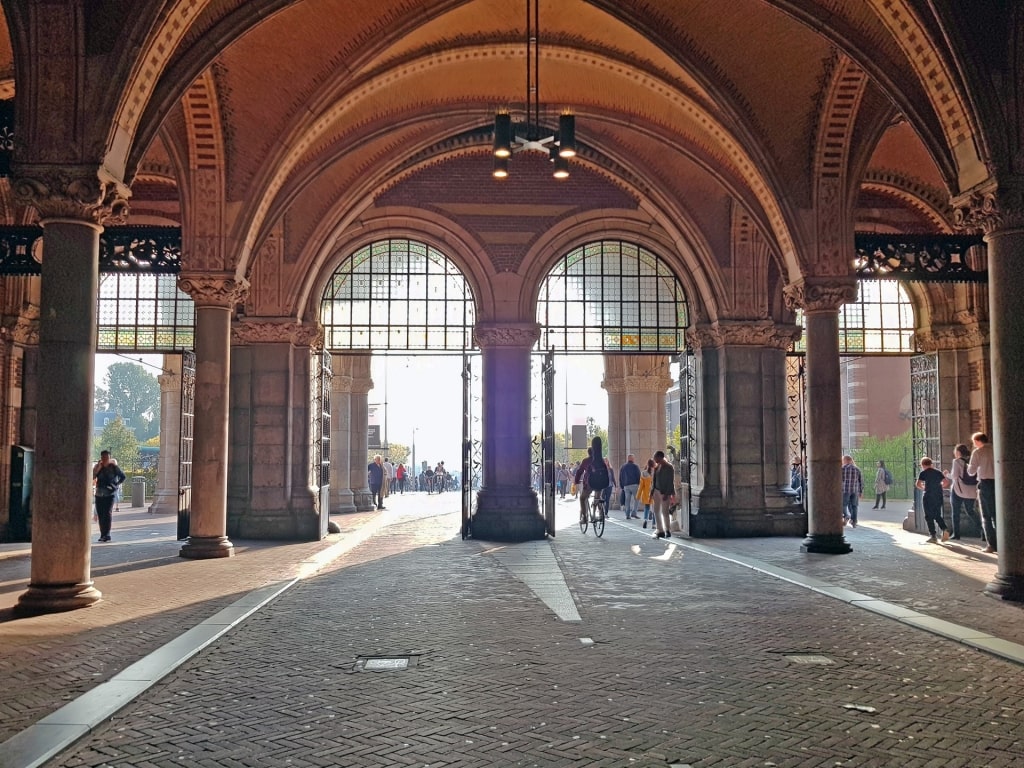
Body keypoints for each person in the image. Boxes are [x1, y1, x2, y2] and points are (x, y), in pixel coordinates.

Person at [967, 431, 997, 552]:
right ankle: (1003, 542)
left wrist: (968, 466)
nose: (974, 444)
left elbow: (971, 472)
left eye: (974, 442)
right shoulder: (996, 449)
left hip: (985, 484)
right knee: (997, 514)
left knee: (986, 515)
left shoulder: (978, 452)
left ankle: (991, 544)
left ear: (978, 441)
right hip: (998, 484)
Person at [943, 443, 978, 541]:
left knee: (955, 512)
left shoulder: (957, 461)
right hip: (971, 490)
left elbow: (954, 476)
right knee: (970, 511)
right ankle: (983, 531)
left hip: (958, 490)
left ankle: (956, 534)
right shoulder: (971, 460)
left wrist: (947, 474)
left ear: (958, 452)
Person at [92, 450, 126, 543]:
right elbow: (92, 477)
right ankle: (102, 534)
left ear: (109, 458)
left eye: (106, 457)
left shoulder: (113, 467)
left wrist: (116, 485)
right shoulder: (98, 467)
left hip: (109, 494)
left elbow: (123, 476)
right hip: (99, 494)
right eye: (103, 457)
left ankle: (107, 534)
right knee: (100, 514)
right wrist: (97, 468)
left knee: (107, 513)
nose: (104, 459)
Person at [915, 456, 949, 544]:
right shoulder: (938, 472)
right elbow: (946, 482)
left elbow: (918, 484)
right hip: (938, 495)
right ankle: (944, 529)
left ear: (922, 465)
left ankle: (933, 536)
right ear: (931, 464)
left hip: (928, 496)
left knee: (928, 515)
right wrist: (938, 487)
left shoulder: (923, 473)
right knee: (937, 514)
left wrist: (924, 488)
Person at [651, 449, 675, 539]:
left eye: (655, 457)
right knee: (656, 511)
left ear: (660, 457)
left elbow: (670, 481)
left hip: (664, 492)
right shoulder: (657, 467)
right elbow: (654, 480)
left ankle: (667, 530)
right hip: (656, 491)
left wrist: (667, 493)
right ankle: (660, 529)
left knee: (665, 512)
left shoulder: (669, 467)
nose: (654, 459)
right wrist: (652, 491)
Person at [841, 455, 863, 528]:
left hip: (845, 490)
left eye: (843, 460)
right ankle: (854, 521)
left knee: (843, 505)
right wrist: (860, 492)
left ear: (845, 460)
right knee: (854, 506)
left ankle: (846, 516)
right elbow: (860, 481)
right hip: (855, 490)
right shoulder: (857, 469)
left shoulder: (842, 469)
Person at [618, 454, 641, 520]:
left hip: (626, 486)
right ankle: (634, 513)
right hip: (634, 485)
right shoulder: (635, 466)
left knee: (627, 500)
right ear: (633, 459)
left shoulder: (623, 467)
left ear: (628, 459)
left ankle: (627, 514)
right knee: (637, 499)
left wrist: (622, 485)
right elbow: (639, 476)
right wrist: (639, 484)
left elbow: (621, 477)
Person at [637, 458, 654, 528]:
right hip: (654, 492)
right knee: (655, 509)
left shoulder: (643, 473)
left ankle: (645, 520)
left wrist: (638, 495)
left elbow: (641, 486)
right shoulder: (655, 472)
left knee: (647, 508)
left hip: (646, 493)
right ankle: (654, 524)